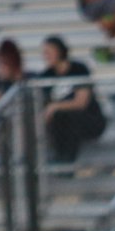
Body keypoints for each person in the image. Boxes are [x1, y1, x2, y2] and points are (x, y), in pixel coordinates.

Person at [38, 36, 107, 164]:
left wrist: (56, 106)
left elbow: (81, 102)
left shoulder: (78, 69)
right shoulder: (46, 75)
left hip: (87, 119)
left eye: (49, 52)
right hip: (60, 124)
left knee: (67, 115)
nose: (46, 56)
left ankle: (66, 159)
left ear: (59, 51)